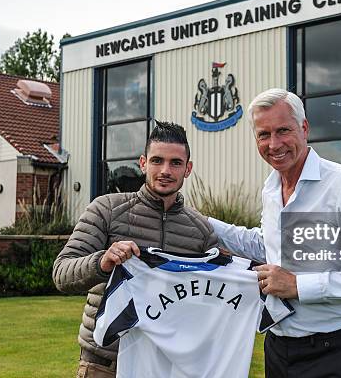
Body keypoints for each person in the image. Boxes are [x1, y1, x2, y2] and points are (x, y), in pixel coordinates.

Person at [208, 89, 341, 378]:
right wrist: (202, 223)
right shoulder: (270, 189)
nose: (274, 144)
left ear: (304, 128)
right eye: (263, 134)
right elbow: (268, 246)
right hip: (278, 348)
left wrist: (298, 286)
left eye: (283, 131)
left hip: (336, 352)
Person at [53, 121, 218, 378]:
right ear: (143, 163)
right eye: (157, 161)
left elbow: (216, 293)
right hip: (104, 361)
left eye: (175, 163)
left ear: (188, 169)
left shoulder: (201, 230)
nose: (165, 170)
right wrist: (102, 262)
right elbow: (62, 274)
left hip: (167, 363)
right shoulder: (106, 209)